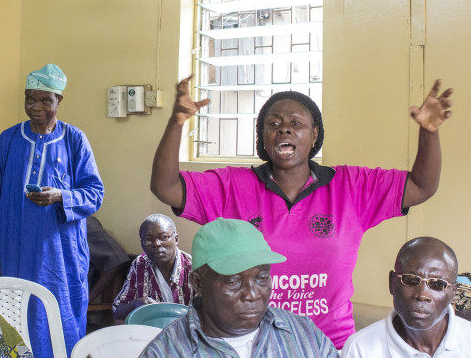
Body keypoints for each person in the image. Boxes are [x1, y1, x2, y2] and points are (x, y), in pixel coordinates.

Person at [150, 77, 453, 347]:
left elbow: (420, 186)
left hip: (328, 344)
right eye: (274, 123)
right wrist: (176, 123)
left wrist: (429, 133)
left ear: (314, 135)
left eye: (296, 123)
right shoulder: (232, 185)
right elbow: (166, 187)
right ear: (263, 137)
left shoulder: (350, 186)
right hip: (252, 343)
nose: (284, 128)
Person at [0, 63, 104, 357]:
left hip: (61, 257)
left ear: (59, 101)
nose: (36, 107)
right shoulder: (8, 139)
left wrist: (62, 196)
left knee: (62, 320)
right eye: (30, 99)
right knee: (15, 314)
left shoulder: (74, 140)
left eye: (46, 100)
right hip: (15, 250)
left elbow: (95, 194)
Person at [140, 217, 337, 357]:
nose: (252, 295)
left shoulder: (304, 333)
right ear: (198, 283)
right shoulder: (165, 351)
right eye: (233, 282)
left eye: (261, 278)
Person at [341, 237, 471, 357]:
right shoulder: (359, 349)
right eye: (410, 280)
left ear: (453, 293)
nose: (422, 295)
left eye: (437, 284)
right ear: (392, 283)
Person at [113, 213, 195, 322]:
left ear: (176, 239)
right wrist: (136, 304)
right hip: (150, 332)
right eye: (148, 239)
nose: (156, 244)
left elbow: (210, 317)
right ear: (141, 243)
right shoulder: (140, 264)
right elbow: (118, 311)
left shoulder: (194, 268)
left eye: (164, 237)